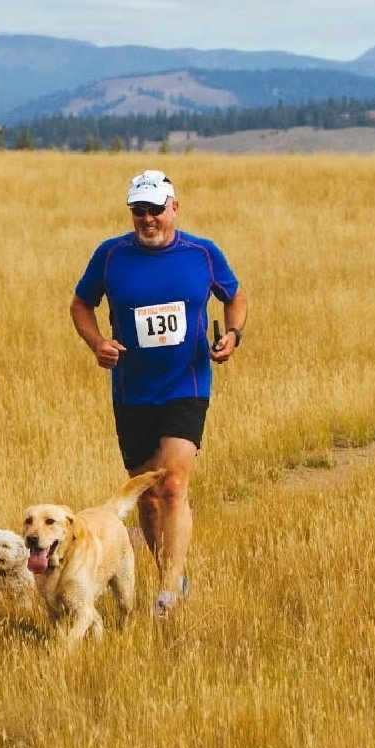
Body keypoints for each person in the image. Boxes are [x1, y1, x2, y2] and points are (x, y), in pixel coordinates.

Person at [70, 170, 247, 616]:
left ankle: (167, 590)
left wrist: (232, 334)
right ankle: (170, 570)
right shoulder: (110, 256)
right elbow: (80, 304)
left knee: (173, 483)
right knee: (146, 494)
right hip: (132, 391)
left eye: (155, 210)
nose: (147, 219)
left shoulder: (202, 253)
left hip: (186, 384)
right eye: (139, 211)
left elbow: (235, 295)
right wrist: (98, 344)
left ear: (174, 207)